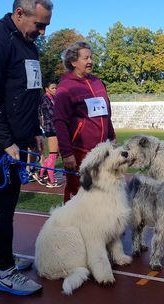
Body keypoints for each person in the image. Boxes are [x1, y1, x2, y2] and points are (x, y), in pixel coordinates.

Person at [0, 0, 52, 296]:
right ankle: (5, 272)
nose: (42, 32)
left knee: (8, 199)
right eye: (39, 24)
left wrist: (35, 131)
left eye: (46, 25)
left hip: (19, 137)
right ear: (19, 13)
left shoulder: (29, 43)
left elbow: (29, 91)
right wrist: (5, 140)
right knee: (5, 201)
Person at [53, 41, 116, 202]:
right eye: (86, 58)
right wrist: (67, 153)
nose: (90, 61)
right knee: (78, 195)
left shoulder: (97, 82)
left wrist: (112, 137)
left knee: (102, 193)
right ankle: (68, 226)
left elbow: (106, 114)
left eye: (91, 57)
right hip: (79, 152)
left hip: (102, 151)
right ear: (73, 62)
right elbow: (60, 122)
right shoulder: (66, 87)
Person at [33, 80, 64, 188]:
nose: (55, 90)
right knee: (53, 155)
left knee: (53, 155)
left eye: (56, 88)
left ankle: (41, 175)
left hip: (55, 128)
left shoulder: (53, 98)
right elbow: (52, 114)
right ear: (46, 89)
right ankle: (51, 181)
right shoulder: (45, 99)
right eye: (53, 88)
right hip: (51, 129)